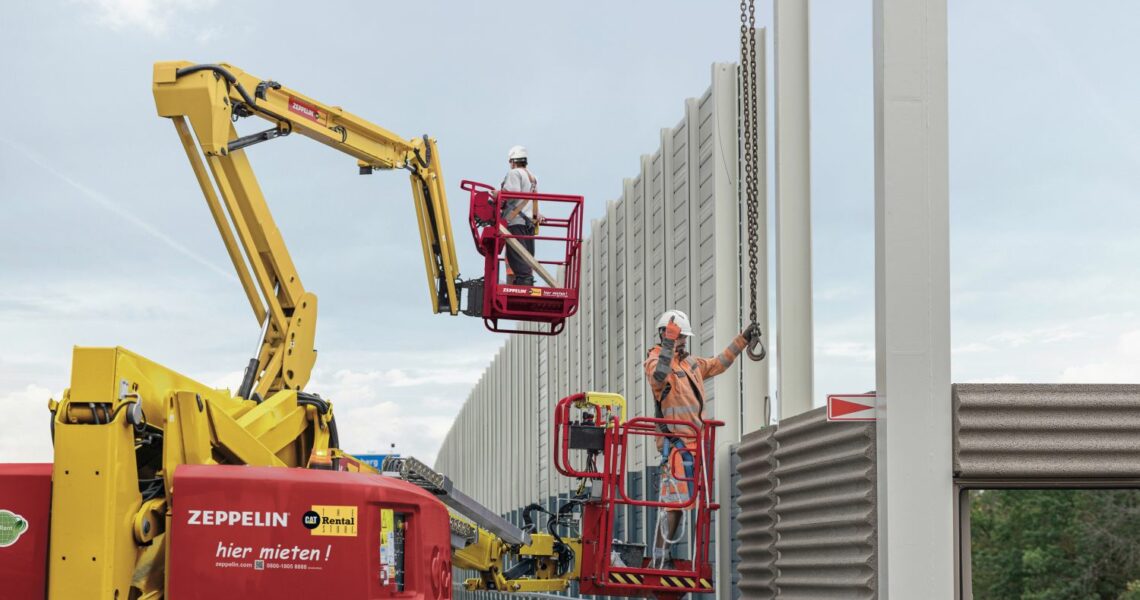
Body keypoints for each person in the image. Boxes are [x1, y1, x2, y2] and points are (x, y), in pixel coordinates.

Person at [643, 309, 759, 567]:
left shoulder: (690, 364)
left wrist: (742, 340)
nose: (684, 341)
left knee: (684, 505)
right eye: (679, 336)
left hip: (695, 445)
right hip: (676, 446)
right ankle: (658, 563)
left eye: (684, 336)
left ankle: (669, 559)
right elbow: (658, 377)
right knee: (674, 505)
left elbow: (719, 363)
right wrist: (668, 345)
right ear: (665, 335)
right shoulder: (656, 360)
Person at [499, 145, 542, 286]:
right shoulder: (533, 177)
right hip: (529, 222)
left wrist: (496, 194)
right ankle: (525, 280)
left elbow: (512, 192)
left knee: (516, 256)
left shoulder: (514, 173)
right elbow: (532, 199)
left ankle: (523, 283)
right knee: (527, 256)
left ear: (512, 161)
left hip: (516, 220)